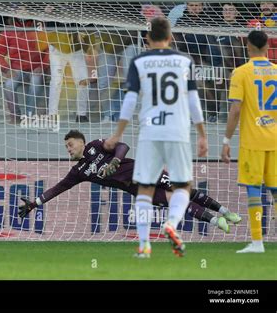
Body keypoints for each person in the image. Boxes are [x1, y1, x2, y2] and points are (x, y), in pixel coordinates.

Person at [105, 17, 209, 258]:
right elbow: (193, 100)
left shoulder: (139, 61)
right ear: (170, 37)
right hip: (178, 131)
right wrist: (202, 134)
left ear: (148, 38)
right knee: (182, 185)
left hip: (150, 132)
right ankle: (171, 224)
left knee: (145, 188)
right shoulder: (184, 60)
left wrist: (117, 134)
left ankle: (143, 245)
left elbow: (130, 100)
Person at [19, 130, 241, 238]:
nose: (68, 149)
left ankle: (225, 211)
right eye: (66, 147)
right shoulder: (78, 172)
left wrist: (115, 161)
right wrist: (34, 203)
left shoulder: (97, 146)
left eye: (70, 144)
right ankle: (216, 220)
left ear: (82, 143)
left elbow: (122, 145)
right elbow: (58, 188)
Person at [221, 30, 277, 254]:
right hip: (276, 141)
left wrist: (226, 140)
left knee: (254, 190)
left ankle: (257, 243)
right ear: (266, 47)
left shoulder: (241, 72)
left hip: (252, 142)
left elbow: (235, 110)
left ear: (248, 46)